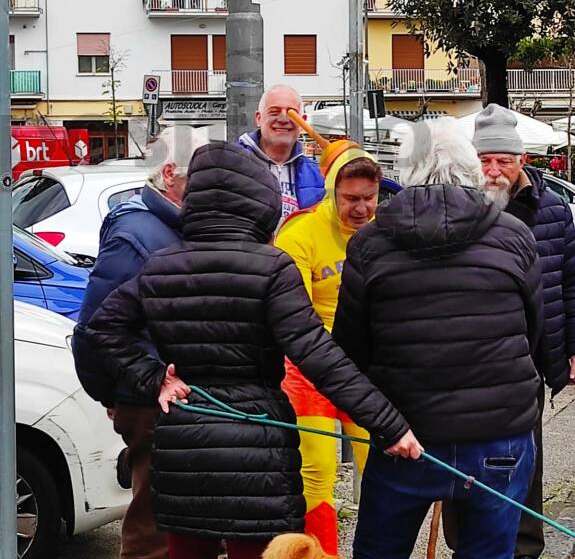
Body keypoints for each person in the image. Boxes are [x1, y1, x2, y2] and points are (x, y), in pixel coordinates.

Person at [79, 142, 421, 559]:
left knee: (187, 549)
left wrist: (154, 379)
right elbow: (317, 354)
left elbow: (102, 326)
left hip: (185, 437)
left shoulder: (161, 264)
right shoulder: (272, 267)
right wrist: (390, 424)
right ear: (259, 201)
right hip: (257, 440)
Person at [332, 118, 543, 559]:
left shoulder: (370, 244)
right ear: (471, 170)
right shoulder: (514, 236)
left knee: (379, 552)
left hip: (404, 433)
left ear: (406, 172)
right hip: (499, 433)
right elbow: (532, 328)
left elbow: (350, 348)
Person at [73, 125, 207, 559]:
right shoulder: (137, 235)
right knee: (153, 531)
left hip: (170, 396)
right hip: (153, 399)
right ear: (171, 173)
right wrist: (124, 390)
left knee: (177, 523)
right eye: (200, 177)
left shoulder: (174, 227)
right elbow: (95, 328)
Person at [471, 103, 575, 559]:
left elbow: (570, 285)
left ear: (521, 162)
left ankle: (525, 546)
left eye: (503, 160)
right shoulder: (461, 209)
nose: (493, 170)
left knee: (525, 458)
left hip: (530, 357)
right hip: (472, 357)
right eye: (485, 160)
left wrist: (572, 348)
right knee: (470, 457)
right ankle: (471, 543)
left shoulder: (553, 211)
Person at [276, 148, 381, 554]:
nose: (361, 208)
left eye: (368, 197)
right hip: (309, 368)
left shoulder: (384, 233)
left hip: (365, 366)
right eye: (351, 198)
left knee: (379, 467)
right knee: (316, 471)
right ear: (331, 193)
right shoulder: (299, 235)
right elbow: (293, 317)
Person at [238, 84, 325, 222]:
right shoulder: (231, 165)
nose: (283, 119)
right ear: (258, 118)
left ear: (303, 121)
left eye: (292, 113)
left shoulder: (319, 175)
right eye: (274, 112)